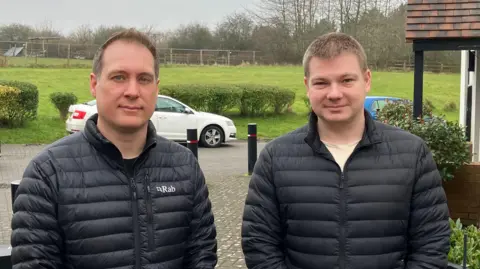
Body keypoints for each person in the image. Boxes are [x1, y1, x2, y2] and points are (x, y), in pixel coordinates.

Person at [10, 28, 217, 269]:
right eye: (119, 77)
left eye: (144, 79)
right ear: (94, 84)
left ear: (156, 88)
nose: (132, 91)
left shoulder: (184, 165)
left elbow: (202, 255)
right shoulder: (47, 173)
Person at [241, 32, 450, 269]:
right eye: (321, 82)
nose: (334, 94)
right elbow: (259, 245)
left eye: (346, 80)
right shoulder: (275, 158)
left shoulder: (412, 154)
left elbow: (431, 244)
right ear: (307, 85)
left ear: (367, 79)